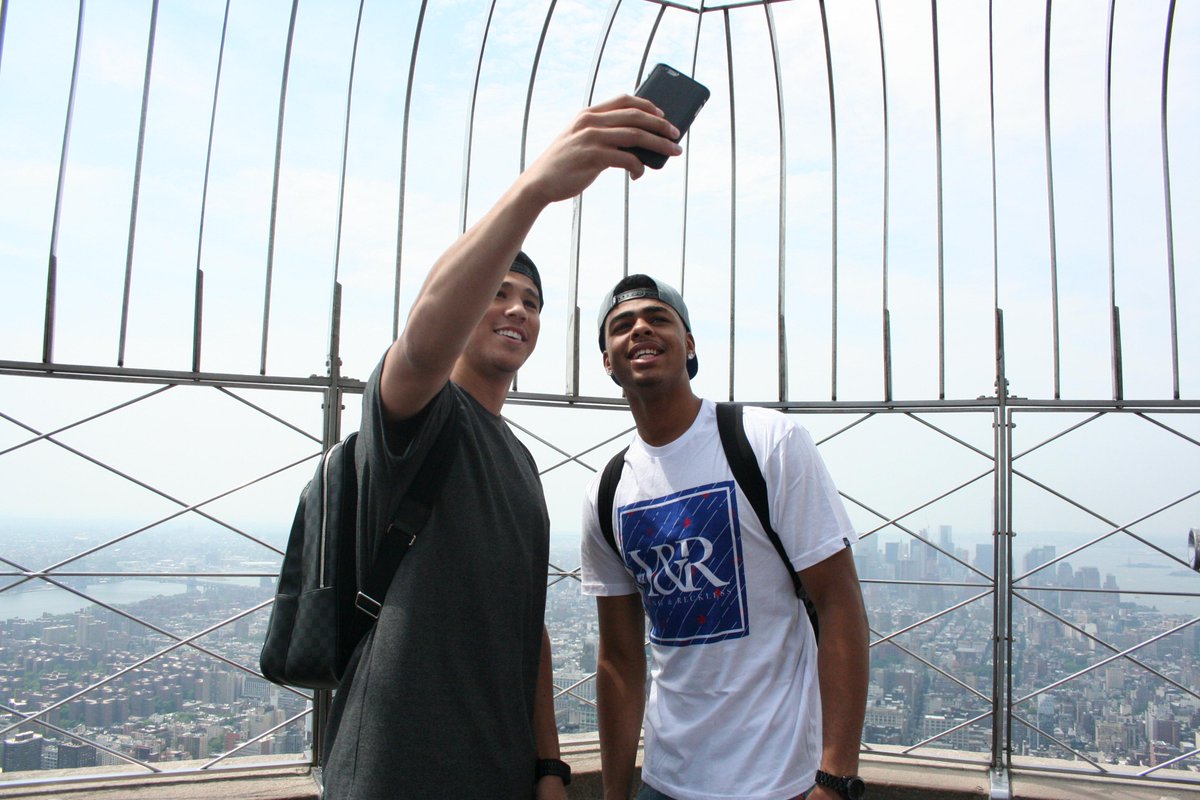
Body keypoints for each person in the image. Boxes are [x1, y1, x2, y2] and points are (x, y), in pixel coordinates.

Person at [319, 99, 684, 800]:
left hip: (500, 771)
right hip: (396, 772)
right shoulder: (417, 411)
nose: (516, 308)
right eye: (498, 291)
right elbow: (425, 333)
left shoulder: (517, 463)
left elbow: (527, 627)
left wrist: (547, 763)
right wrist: (535, 190)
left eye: (533, 301)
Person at [580, 275, 871, 800]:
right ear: (608, 359)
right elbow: (620, 660)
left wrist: (835, 779)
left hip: (780, 782)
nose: (641, 328)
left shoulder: (767, 442)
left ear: (689, 344)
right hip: (666, 781)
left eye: (659, 318)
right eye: (621, 326)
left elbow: (839, 602)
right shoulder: (607, 492)